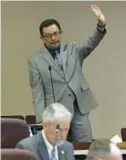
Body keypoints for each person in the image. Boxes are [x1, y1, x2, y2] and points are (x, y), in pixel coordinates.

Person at [28, 4, 107, 142]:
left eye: (56, 33)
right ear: (42, 38)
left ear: (60, 32)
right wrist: (41, 119)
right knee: (58, 151)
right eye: (49, 35)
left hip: (79, 108)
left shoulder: (73, 50)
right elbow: (38, 92)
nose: (53, 38)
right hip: (55, 112)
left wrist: (100, 25)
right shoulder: (35, 61)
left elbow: (91, 44)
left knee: (84, 148)